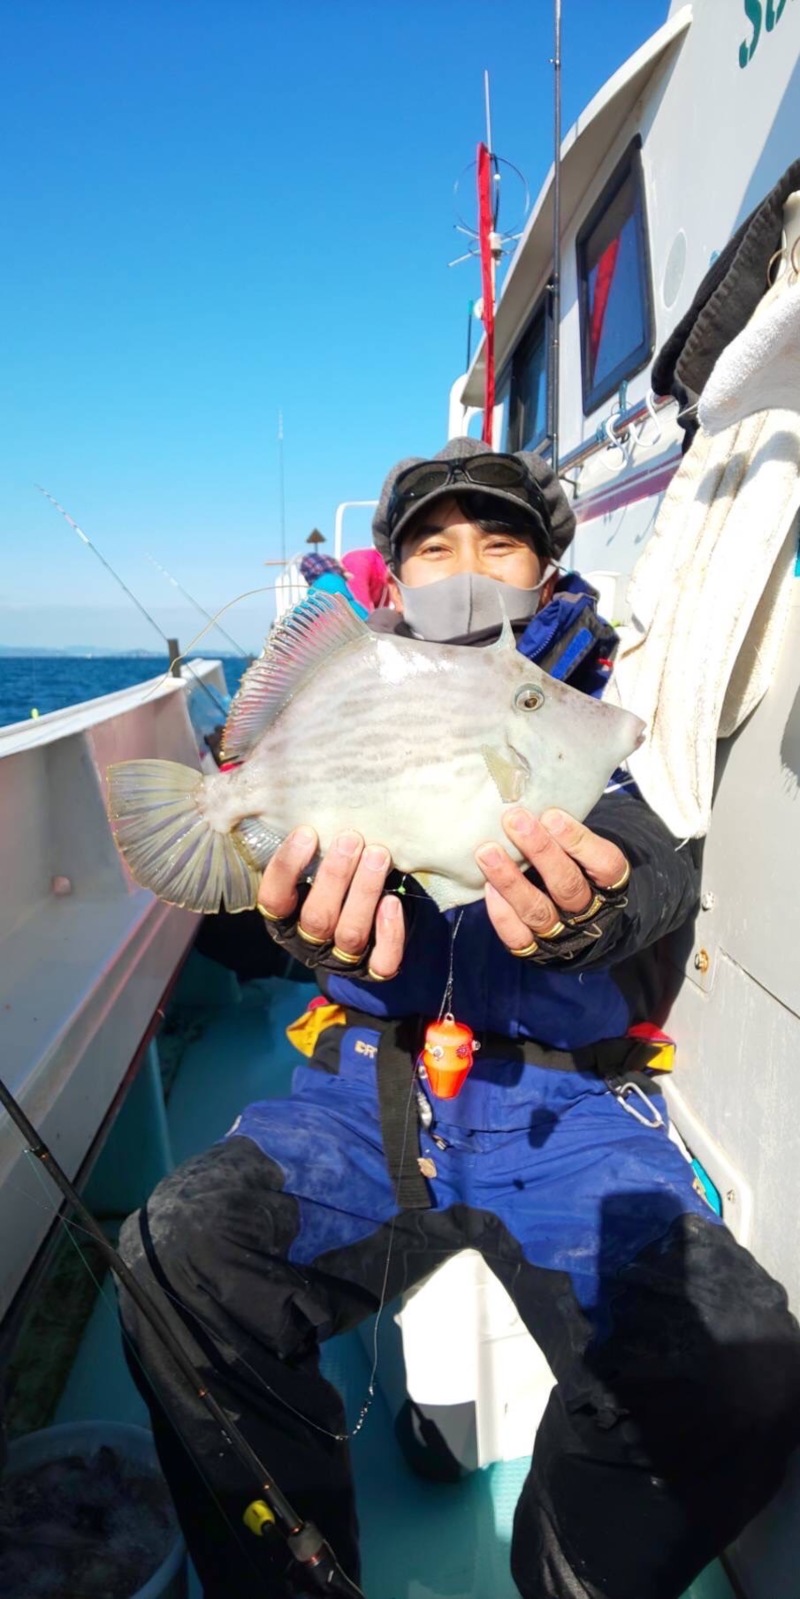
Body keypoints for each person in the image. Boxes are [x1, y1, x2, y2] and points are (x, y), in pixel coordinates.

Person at [118, 438, 800, 1599]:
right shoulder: (369, 686)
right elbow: (284, 900)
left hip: (568, 1107)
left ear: (545, 571)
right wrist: (302, 925)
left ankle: (560, 1573)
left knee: (739, 1360)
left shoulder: (596, 707)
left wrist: (589, 914)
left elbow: (652, 863)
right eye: (433, 546)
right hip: (368, 1092)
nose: (465, 566)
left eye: (499, 542)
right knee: (175, 1257)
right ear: (395, 575)